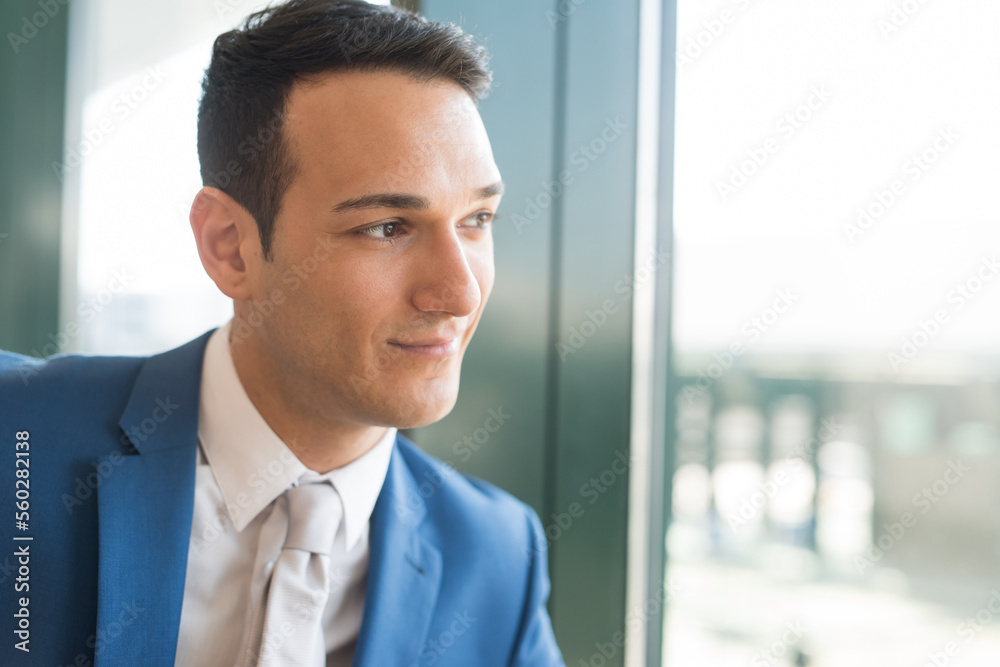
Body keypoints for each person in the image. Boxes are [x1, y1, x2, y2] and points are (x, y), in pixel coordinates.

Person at [0, 1, 564, 665]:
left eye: (477, 219)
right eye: (386, 226)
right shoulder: (18, 436)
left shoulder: (497, 554)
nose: (461, 292)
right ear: (230, 247)